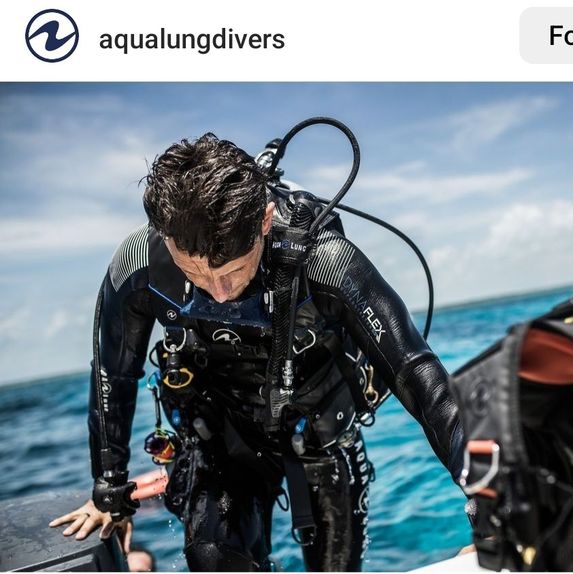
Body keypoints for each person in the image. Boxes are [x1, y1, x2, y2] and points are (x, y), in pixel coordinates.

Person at [50, 132, 464, 571]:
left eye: (232, 271)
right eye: (196, 273)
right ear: (166, 238)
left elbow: (418, 375)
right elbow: (113, 373)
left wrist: (488, 495)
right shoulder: (140, 263)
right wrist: (109, 484)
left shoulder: (323, 258)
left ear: (265, 221)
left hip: (320, 430)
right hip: (223, 436)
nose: (221, 294)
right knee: (211, 558)